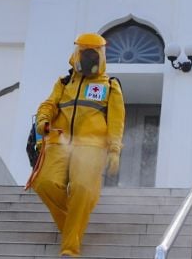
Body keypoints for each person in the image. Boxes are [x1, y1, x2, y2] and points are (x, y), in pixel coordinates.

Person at [25, 33, 125, 257]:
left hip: (92, 146)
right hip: (59, 141)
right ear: (76, 53)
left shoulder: (110, 85)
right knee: (43, 183)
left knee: (82, 189)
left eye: (94, 53)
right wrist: (43, 120)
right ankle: (75, 224)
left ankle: (70, 248)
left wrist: (114, 150)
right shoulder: (63, 83)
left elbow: (117, 121)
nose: (89, 57)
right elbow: (49, 105)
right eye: (84, 51)